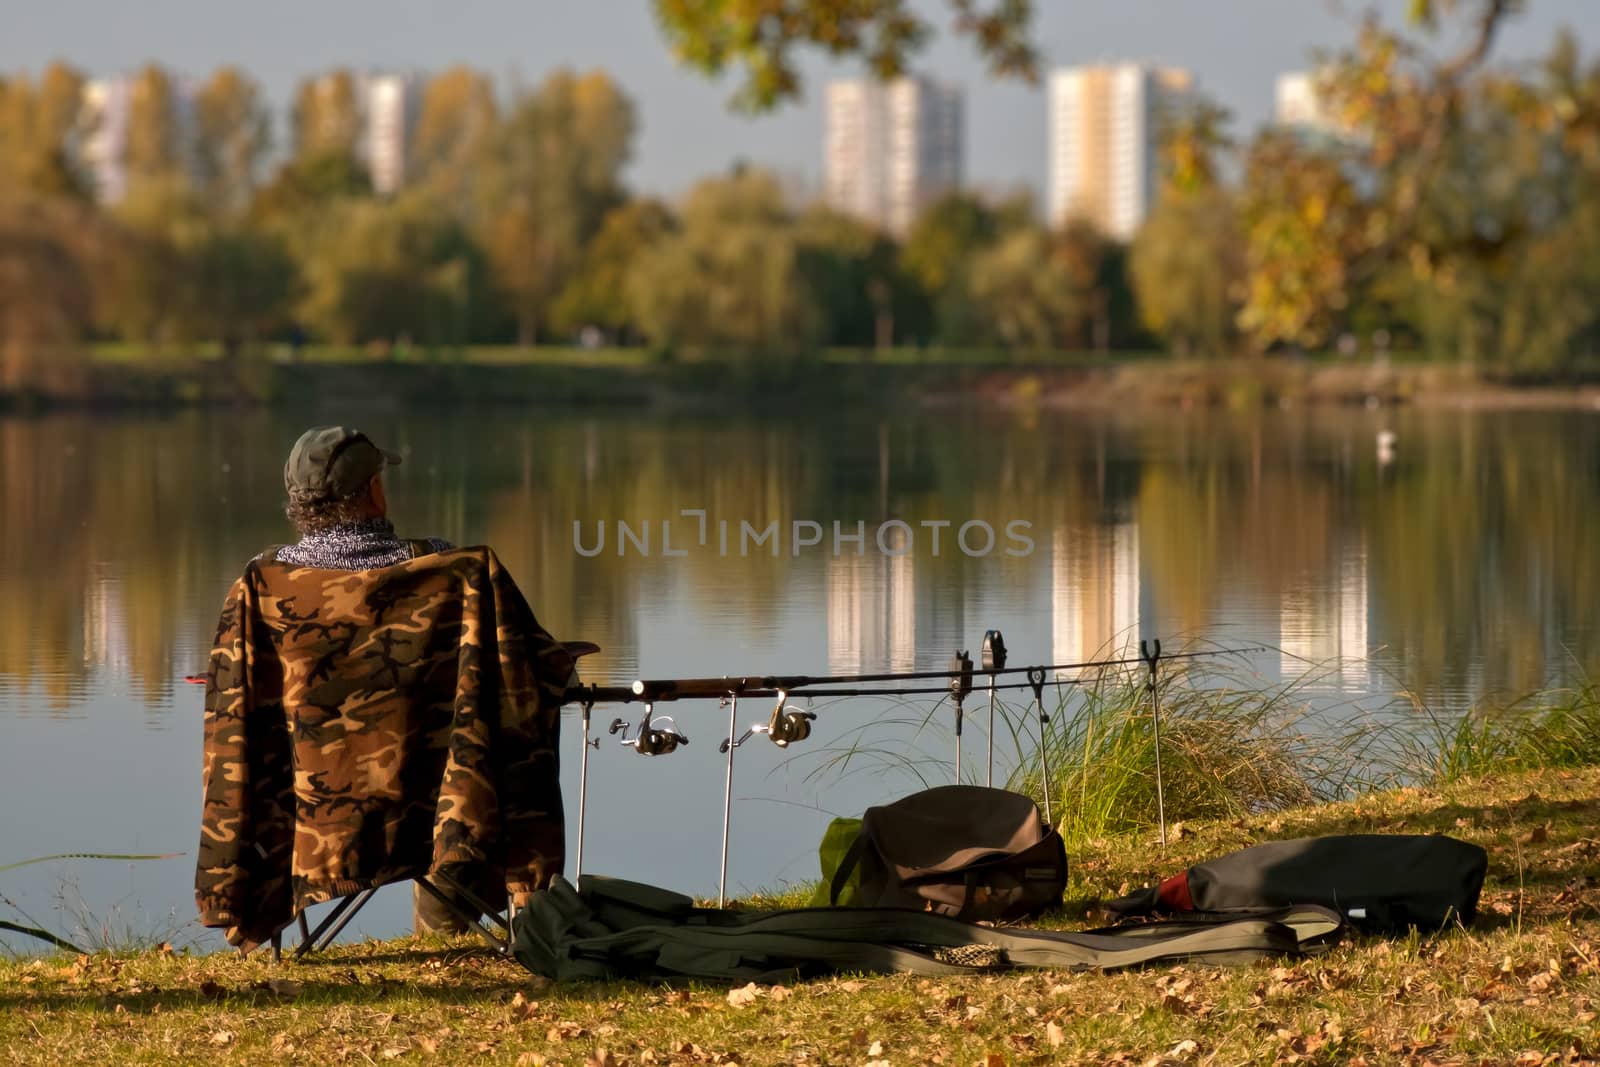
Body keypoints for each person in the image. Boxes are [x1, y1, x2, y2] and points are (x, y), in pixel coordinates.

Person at [268, 426, 548, 936]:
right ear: (374, 492)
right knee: (491, 735)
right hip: (433, 808)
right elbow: (518, 664)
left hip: (315, 814)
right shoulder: (446, 568)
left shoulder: (264, 584)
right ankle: (452, 914)